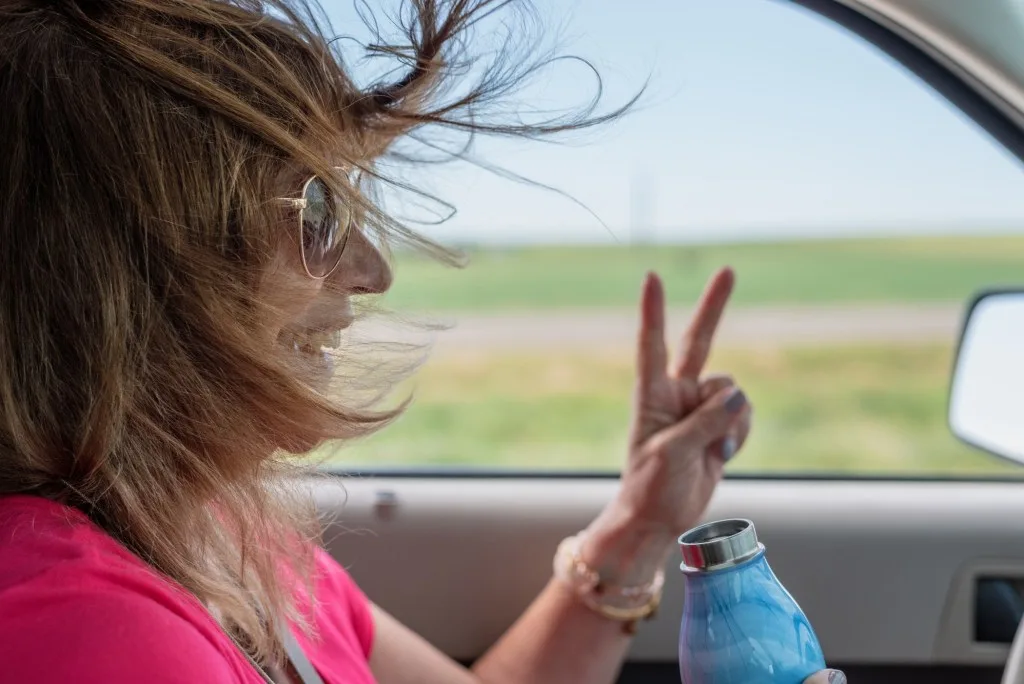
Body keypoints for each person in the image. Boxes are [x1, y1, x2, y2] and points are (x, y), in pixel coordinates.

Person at [0, 0, 843, 681]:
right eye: (316, 215)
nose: (372, 271)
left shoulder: (220, 531)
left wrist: (640, 521)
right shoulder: (92, 631)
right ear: (133, 272)